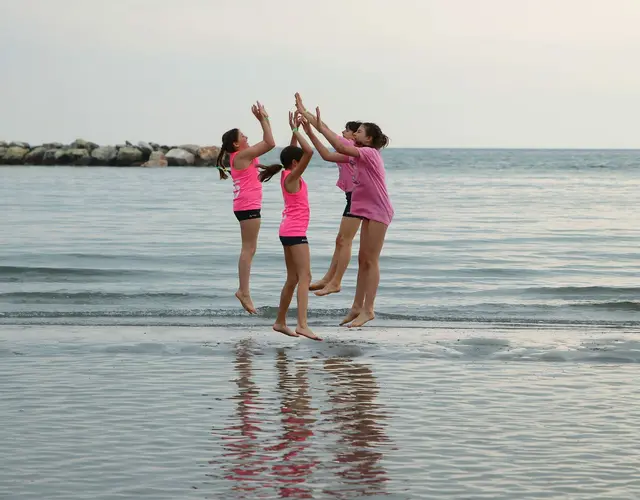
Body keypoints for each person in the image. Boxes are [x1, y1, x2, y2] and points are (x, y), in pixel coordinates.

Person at [297, 96, 393, 328]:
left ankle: (368, 309)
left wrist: (317, 124)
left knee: (371, 260)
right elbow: (329, 154)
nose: (355, 134)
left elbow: (339, 144)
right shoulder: (356, 157)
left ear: (368, 139)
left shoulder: (369, 154)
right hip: (367, 210)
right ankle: (357, 307)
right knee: (363, 260)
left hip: (379, 210)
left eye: (359, 132)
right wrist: (310, 129)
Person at [258, 112, 321, 341]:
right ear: (295, 164)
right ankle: (302, 324)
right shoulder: (292, 177)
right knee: (305, 276)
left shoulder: (287, 173)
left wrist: (293, 133)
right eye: (299, 162)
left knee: (293, 278)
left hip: (287, 230)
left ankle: (280, 322)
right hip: (294, 232)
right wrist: (297, 131)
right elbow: (310, 152)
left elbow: (293, 154)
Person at [294, 93, 362, 297]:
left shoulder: (351, 147)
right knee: (340, 240)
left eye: (347, 130)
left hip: (359, 197)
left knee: (345, 240)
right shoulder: (348, 152)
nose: (343, 132)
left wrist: (304, 111)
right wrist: (308, 132)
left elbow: (326, 130)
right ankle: (328, 279)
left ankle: (336, 281)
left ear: (353, 135)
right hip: (352, 197)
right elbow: (325, 154)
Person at [215, 102, 275, 315]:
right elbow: (270, 142)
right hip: (247, 206)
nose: (247, 138)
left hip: (246, 205)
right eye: (243, 136)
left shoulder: (242, 157)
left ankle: (244, 290)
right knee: (248, 249)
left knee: (250, 248)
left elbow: (251, 167)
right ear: (235, 144)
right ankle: (244, 291)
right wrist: (263, 120)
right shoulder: (241, 156)